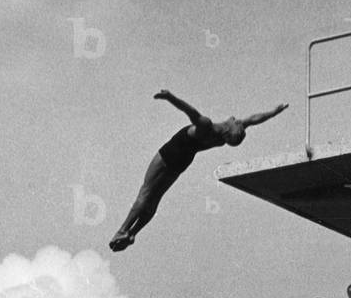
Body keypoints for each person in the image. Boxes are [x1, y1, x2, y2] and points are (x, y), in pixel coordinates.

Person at [109, 89, 288, 250]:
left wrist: (170, 97)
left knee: (145, 192)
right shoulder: (224, 138)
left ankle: (122, 230)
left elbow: (190, 112)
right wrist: (274, 112)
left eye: (238, 124)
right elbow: (254, 119)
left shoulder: (207, 126)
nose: (239, 121)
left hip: (170, 154)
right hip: (183, 162)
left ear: (230, 129)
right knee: (156, 198)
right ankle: (133, 233)